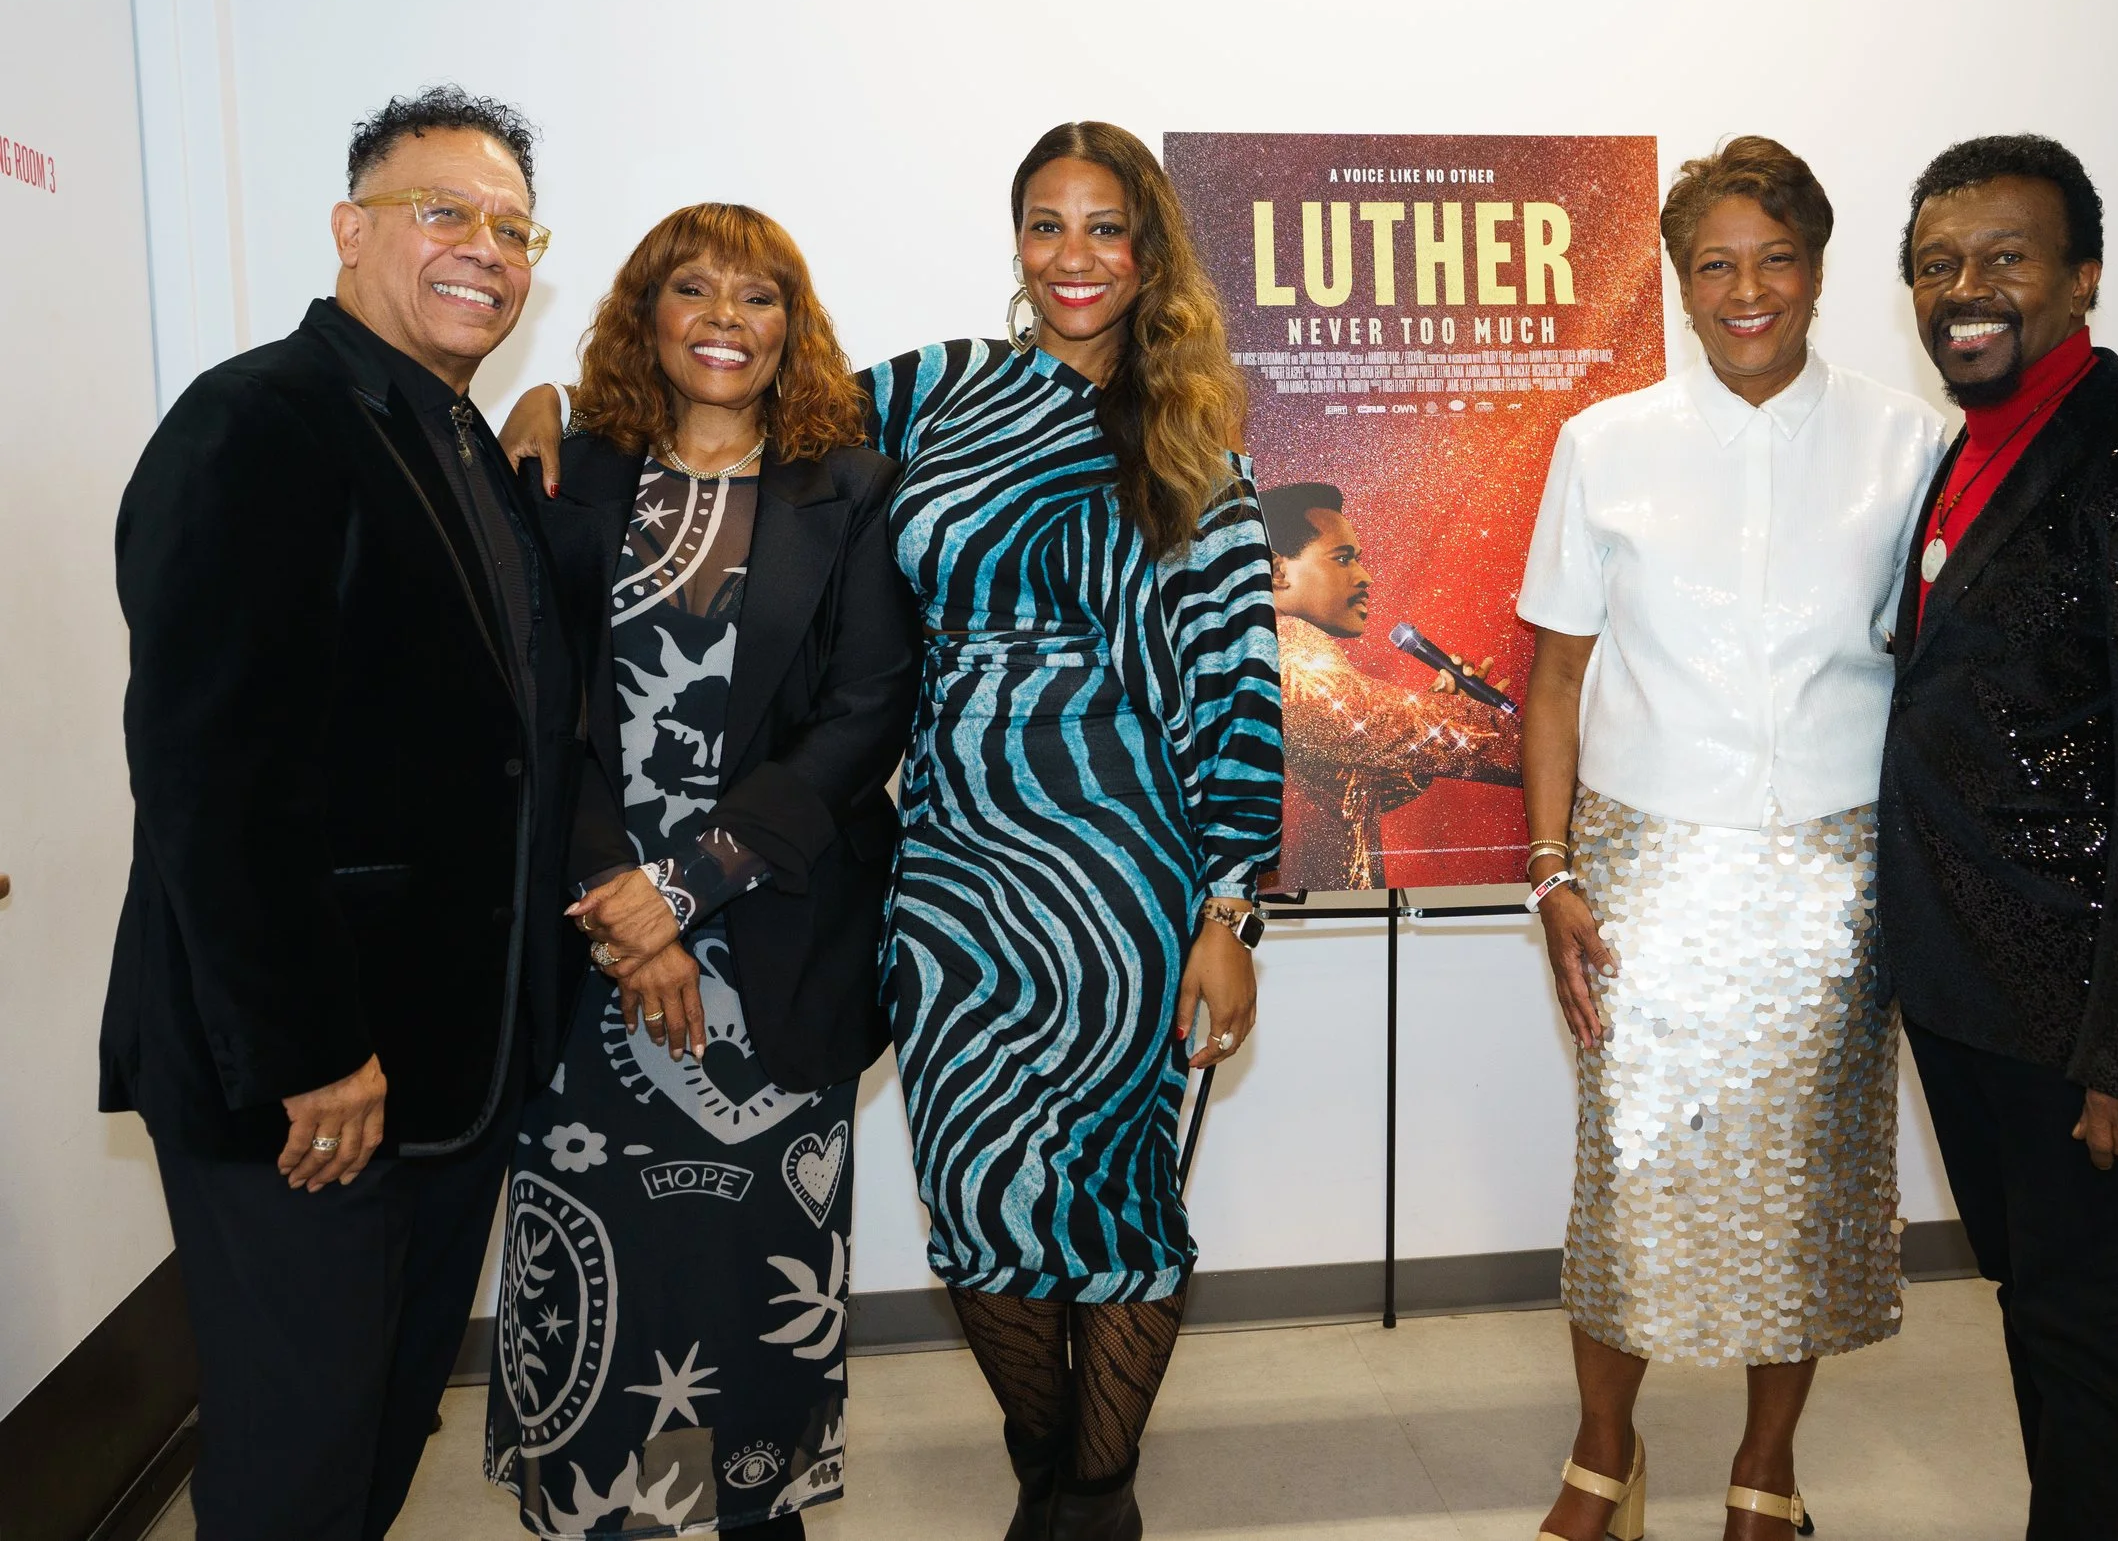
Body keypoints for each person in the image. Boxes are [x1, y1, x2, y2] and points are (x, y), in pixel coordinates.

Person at [500, 123, 1282, 1540]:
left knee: (1108, 1204)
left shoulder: (1195, 450)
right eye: (1046, 224)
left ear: (1151, 249)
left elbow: (1236, 687)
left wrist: (1228, 916)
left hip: (1123, 873)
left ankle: (1088, 1498)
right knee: (979, 1198)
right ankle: (1048, 1453)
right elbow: (731, 400)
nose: (1075, 257)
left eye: (1107, 228)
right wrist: (555, 404)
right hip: (949, 876)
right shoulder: (938, 392)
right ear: (1018, 243)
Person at [103, 87, 579, 1541]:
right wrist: (312, 1047)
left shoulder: (460, 443)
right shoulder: (259, 421)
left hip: (446, 1073)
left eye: (511, 227)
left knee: (371, 1436)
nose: (483, 250)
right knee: (296, 1462)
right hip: (310, 1082)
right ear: (351, 228)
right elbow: (211, 773)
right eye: (444, 213)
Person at [1516, 136, 1948, 1541]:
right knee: (1628, 1175)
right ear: (1679, 282)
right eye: (1716, 263)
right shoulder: (1606, 445)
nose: (1746, 288)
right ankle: (1603, 1454)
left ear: (1819, 271)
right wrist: (1553, 872)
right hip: (1644, 869)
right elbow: (1560, 680)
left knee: (1805, 1183)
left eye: (1775, 258)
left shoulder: (1915, 444)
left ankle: (1767, 1465)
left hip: (1835, 869)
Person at [482, 206, 919, 1537]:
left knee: (754, 1273)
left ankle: (753, 1504)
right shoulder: (571, 476)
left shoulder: (854, 488)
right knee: (603, 1253)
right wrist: (631, 900)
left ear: (796, 326)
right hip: (590, 935)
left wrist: (688, 889)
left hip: (773, 943)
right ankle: (599, 1507)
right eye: (694, 289)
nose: (727, 317)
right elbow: (537, 705)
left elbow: (864, 715)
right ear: (644, 315)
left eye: (760, 295)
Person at [1883, 134, 2118, 1541]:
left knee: (2092, 1321)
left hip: (2081, 1011)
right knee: (2037, 1301)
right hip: (1965, 986)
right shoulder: (1975, 454)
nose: (1966, 287)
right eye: (1938, 263)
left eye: (2005, 255)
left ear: (2083, 276)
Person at [1263, 479, 1519, 891]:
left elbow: (1351, 794)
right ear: (1278, 571)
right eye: (1343, 559)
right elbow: (1365, 719)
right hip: (1307, 929)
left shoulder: (1274, 652)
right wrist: (1548, 742)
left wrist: (1438, 712)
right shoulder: (1292, 658)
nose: (1365, 576)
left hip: (1320, 921)